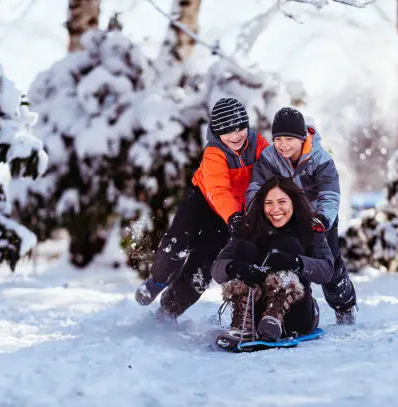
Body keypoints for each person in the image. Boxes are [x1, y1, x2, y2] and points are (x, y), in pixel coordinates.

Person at [134, 97, 269, 321]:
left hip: (231, 216)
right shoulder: (214, 152)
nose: (235, 136)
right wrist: (234, 216)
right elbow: (219, 190)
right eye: (228, 131)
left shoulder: (258, 144)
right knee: (176, 246)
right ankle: (157, 281)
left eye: (240, 128)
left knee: (201, 271)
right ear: (217, 133)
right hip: (203, 203)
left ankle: (167, 312)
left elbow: (273, 174)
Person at [245, 107, 357, 324]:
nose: (283, 145)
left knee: (329, 264)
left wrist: (323, 219)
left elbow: (330, 193)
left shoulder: (320, 159)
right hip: (286, 217)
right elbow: (256, 188)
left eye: (289, 139)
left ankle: (344, 304)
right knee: (284, 257)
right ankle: (297, 308)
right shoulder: (269, 158)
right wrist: (254, 213)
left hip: (319, 218)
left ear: (302, 137)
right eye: (278, 139)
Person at [211, 176, 334, 348]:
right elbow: (216, 269)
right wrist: (233, 268)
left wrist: (296, 262)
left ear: (293, 203)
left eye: (282, 201)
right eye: (269, 203)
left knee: (288, 244)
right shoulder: (249, 228)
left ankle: (275, 316)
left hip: (296, 313)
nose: (275, 209)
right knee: (246, 248)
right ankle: (243, 326)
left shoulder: (309, 228)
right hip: (254, 313)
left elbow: (327, 271)